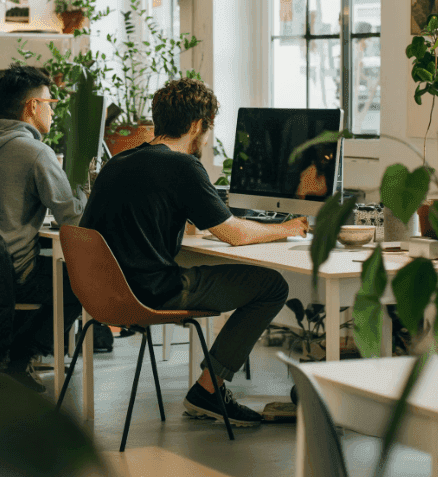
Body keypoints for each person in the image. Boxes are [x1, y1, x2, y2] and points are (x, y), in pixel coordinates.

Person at [80, 77, 308, 428]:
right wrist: (287, 228)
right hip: (152, 291)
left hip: (105, 295)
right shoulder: (183, 166)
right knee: (273, 285)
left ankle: (208, 389)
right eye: (208, 129)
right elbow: (233, 234)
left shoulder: (120, 162)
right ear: (197, 125)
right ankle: (208, 389)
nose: (206, 138)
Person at [0, 64, 85, 391]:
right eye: (50, 103)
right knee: (83, 282)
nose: (53, 111)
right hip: (10, 278)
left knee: (47, 261)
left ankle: (7, 354)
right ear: (32, 107)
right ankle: (18, 359)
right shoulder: (36, 152)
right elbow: (75, 220)